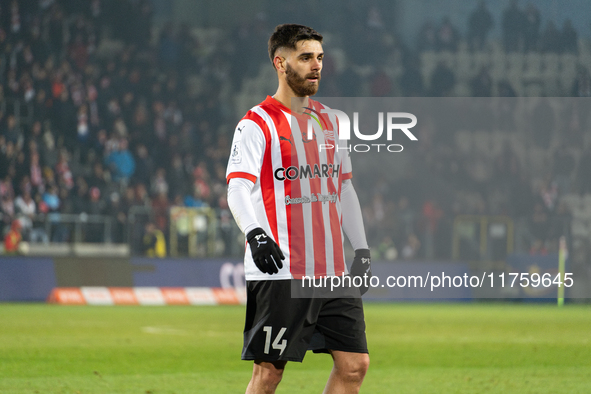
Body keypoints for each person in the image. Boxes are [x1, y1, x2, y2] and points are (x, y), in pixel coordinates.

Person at [226, 24, 371, 394]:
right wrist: (256, 234)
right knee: (270, 373)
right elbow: (238, 186)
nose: (316, 66)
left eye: (320, 58)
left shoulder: (333, 121)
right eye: (305, 57)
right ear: (280, 62)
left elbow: (345, 187)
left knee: (354, 365)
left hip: (333, 271)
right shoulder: (256, 123)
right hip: (282, 270)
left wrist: (363, 249)